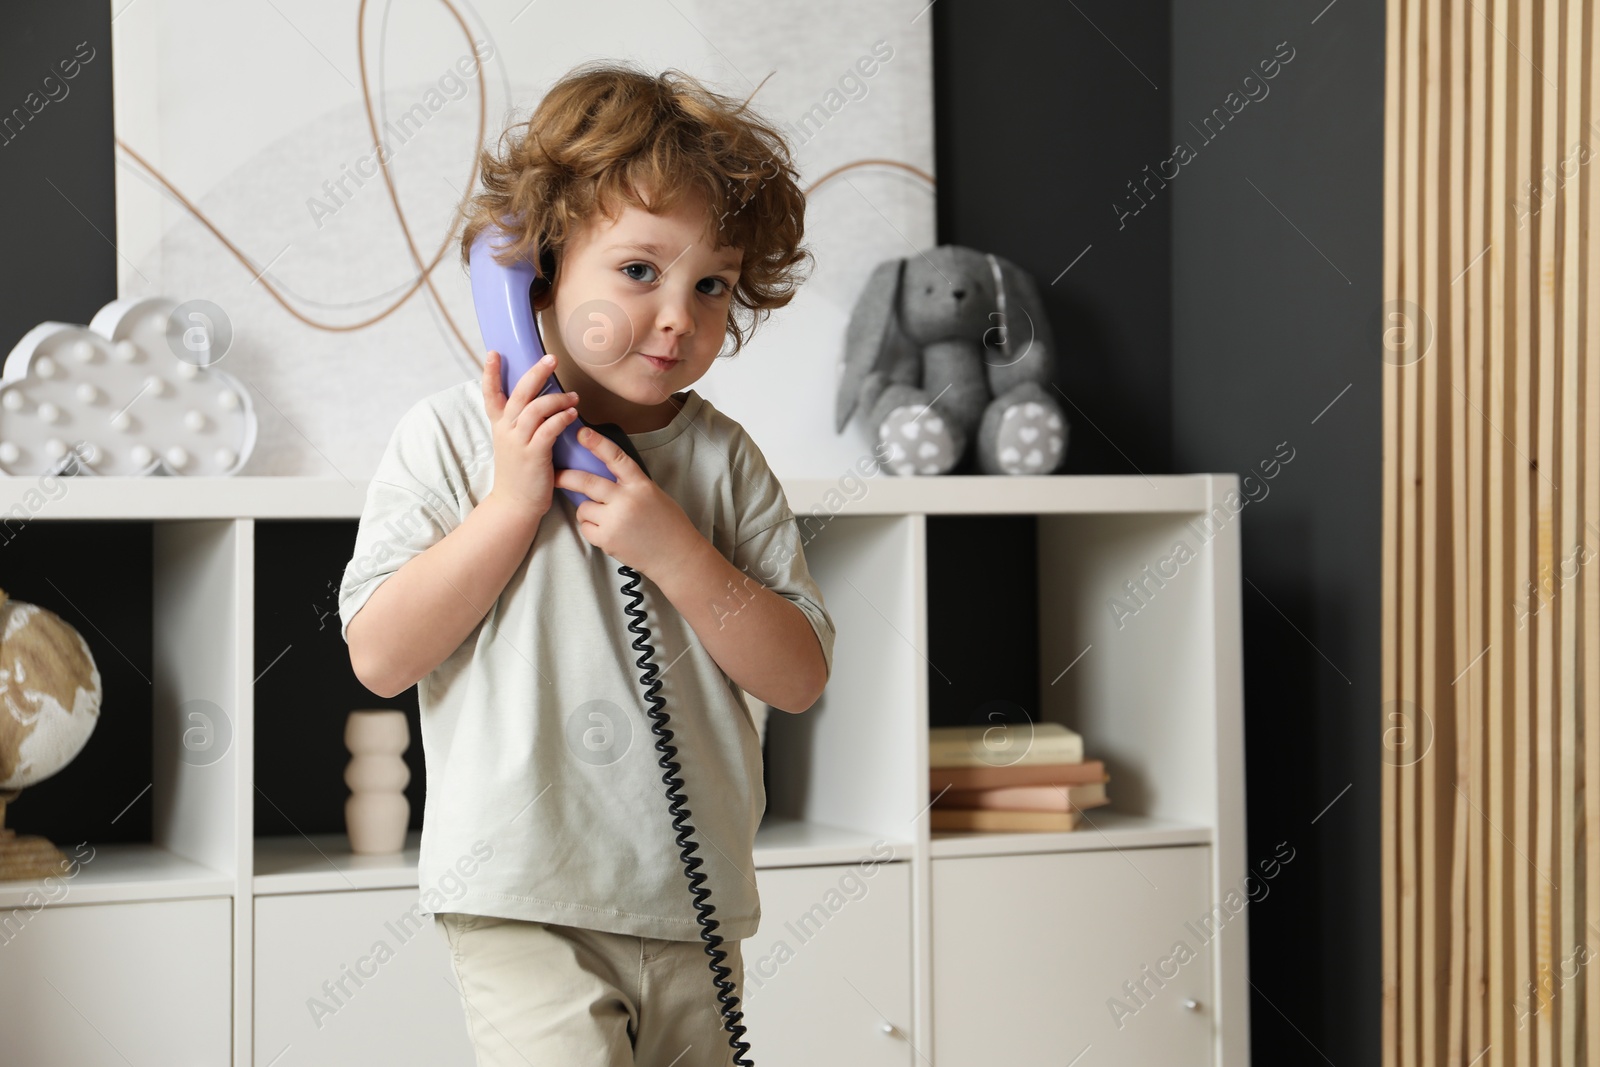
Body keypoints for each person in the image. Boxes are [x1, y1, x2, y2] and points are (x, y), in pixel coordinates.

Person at [337, 59, 836, 1067]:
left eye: (712, 286)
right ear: (539, 267)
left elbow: (797, 672)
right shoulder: (447, 438)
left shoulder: (721, 461)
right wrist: (512, 503)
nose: (677, 318)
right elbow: (381, 656)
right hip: (522, 897)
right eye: (640, 270)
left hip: (692, 898)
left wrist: (676, 550)